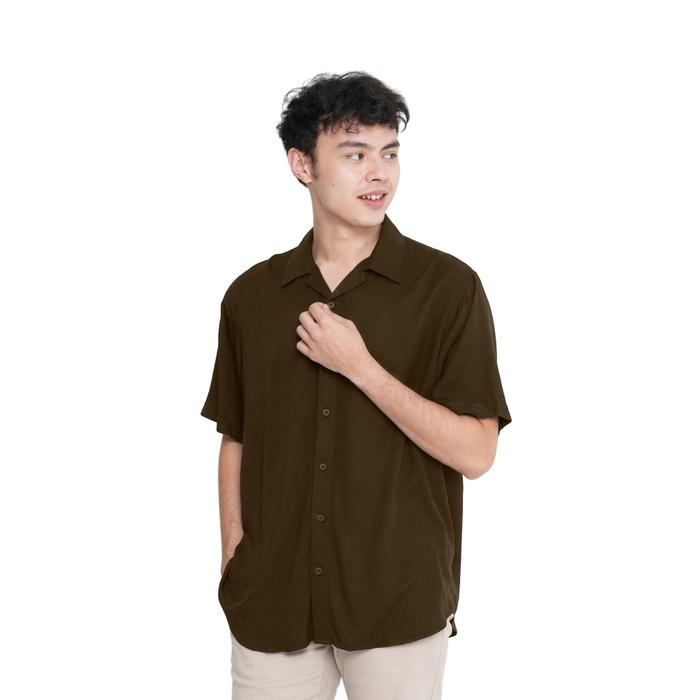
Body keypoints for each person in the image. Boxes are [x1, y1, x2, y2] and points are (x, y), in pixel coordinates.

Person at [200, 70, 512, 700]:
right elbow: (237, 437)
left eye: (389, 153)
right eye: (355, 154)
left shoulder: (448, 289)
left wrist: (361, 367)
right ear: (302, 165)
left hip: (397, 601)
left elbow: (477, 453)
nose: (379, 173)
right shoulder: (252, 296)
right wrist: (235, 555)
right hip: (272, 601)